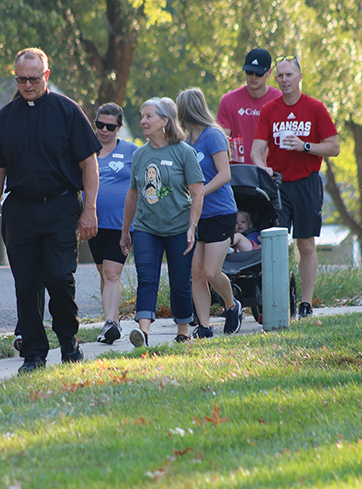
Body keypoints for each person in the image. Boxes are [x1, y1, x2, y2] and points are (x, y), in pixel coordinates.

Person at [0, 47, 101, 373]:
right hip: (20, 210)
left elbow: (89, 165)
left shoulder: (67, 111)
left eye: (34, 79)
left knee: (60, 277)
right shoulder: (6, 118)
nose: (27, 85)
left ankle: (69, 341)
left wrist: (89, 209)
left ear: (46, 76)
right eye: (21, 79)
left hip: (62, 206)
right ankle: (34, 353)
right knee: (26, 283)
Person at [251, 55, 339, 318]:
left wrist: (306, 146)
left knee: (306, 245)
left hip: (306, 183)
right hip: (278, 183)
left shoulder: (315, 108)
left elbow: (334, 146)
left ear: (300, 77)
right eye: (280, 76)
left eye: (289, 75)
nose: (284, 80)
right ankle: (276, 300)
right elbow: (257, 149)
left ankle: (306, 303)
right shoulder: (270, 109)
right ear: (275, 79)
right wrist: (262, 166)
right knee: (275, 243)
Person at [120, 97, 205, 346]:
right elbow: (133, 195)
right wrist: (126, 232)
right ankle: (143, 332)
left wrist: (192, 227)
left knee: (180, 282)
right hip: (147, 228)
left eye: (149, 116)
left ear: (164, 121)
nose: (143, 121)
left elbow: (198, 192)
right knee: (147, 278)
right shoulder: (140, 155)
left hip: (179, 228)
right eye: (142, 115)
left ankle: (183, 330)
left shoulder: (184, 152)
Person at [177, 87, 243, 337]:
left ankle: (232, 305)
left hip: (220, 212)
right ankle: (204, 325)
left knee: (212, 271)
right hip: (196, 215)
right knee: (196, 272)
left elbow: (225, 174)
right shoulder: (185, 142)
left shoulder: (213, 136)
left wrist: (200, 192)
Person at [89, 103, 138, 344]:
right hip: (93, 223)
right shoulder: (87, 150)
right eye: (100, 125)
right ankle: (113, 319)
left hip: (121, 224)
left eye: (110, 126)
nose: (104, 130)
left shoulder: (131, 151)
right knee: (104, 273)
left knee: (111, 272)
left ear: (119, 127)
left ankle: (109, 324)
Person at [216, 48, 282, 164]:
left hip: (269, 172)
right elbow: (221, 141)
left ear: (269, 72)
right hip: (238, 173)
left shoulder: (279, 100)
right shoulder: (228, 100)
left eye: (259, 73)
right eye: (249, 72)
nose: (253, 77)